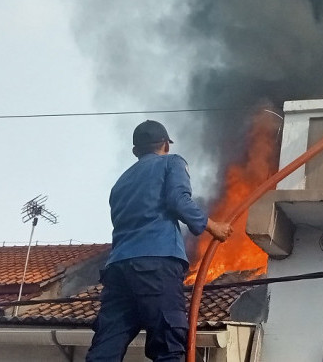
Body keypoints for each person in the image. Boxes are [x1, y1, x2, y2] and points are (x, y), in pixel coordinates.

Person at [86, 120, 233, 361]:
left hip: (118, 269)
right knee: (168, 342)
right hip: (155, 264)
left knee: (106, 344)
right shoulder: (171, 162)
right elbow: (179, 200)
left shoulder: (120, 184)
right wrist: (214, 227)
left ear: (136, 151)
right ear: (166, 144)